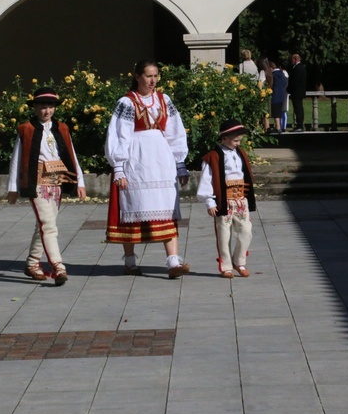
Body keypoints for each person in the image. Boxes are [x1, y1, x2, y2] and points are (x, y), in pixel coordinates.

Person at [105, 59, 190, 278]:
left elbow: (175, 130)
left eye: (155, 76)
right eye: (148, 76)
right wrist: (119, 168)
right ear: (137, 76)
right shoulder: (126, 102)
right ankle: (130, 261)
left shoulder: (164, 99)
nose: (153, 81)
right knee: (133, 205)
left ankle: (173, 262)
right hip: (137, 160)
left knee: (166, 207)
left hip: (161, 161)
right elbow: (118, 135)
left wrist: (179, 162)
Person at [7, 87, 86, 286]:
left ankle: (33, 264)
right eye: (42, 106)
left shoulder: (62, 128)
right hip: (37, 182)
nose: (46, 111)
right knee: (48, 225)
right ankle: (58, 267)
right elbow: (17, 159)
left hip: (56, 182)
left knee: (44, 225)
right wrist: (13, 187)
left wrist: (80, 182)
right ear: (35, 107)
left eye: (50, 106)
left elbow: (72, 154)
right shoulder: (26, 129)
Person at [196, 119, 256, 278]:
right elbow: (207, 180)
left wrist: (247, 197)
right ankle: (226, 265)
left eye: (239, 141)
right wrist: (209, 201)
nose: (238, 143)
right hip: (224, 200)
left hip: (240, 198)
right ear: (224, 138)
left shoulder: (241, 154)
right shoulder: (213, 157)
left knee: (246, 230)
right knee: (224, 233)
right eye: (235, 140)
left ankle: (239, 261)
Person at [287, 53, 306, 132]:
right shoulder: (302, 67)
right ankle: (299, 124)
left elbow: (294, 81)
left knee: (298, 109)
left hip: (296, 92)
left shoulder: (297, 68)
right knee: (299, 108)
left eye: (292, 60)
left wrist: (288, 89)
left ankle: (299, 125)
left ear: (295, 59)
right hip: (300, 91)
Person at [270, 61, 288, 133]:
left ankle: (277, 127)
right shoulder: (282, 74)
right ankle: (280, 126)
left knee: (275, 112)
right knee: (280, 111)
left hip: (275, 94)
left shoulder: (273, 75)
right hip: (282, 95)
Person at [257, 56, 273, 132]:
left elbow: (260, 83)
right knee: (266, 111)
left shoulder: (262, 72)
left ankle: (258, 126)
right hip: (268, 92)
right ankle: (267, 126)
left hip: (262, 93)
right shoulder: (270, 71)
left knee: (260, 110)